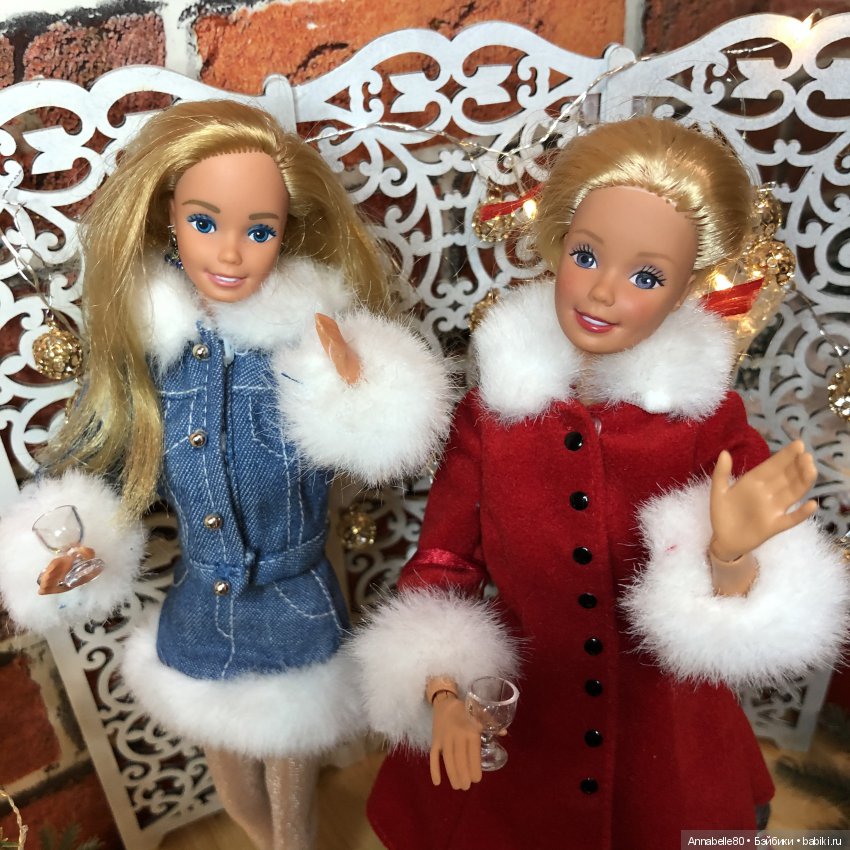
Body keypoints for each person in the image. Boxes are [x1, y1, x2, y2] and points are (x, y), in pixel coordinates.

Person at [349, 116, 850, 850]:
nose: (605, 291)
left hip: (668, 737)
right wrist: (444, 690)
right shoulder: (493, 416)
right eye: (587, 255)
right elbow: (444, 565)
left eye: (647, 276)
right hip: (522, 718)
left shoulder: (706, 422)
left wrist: (731, 557)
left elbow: (761, 598)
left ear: (685, 291)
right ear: (559, 246)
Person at [0, 99, 452, 850]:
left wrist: (361, 389)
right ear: (167, 218)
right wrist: (73, 548)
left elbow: (385, 445)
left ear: (288, 232)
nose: (232, 253)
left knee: (293, 795)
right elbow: (108, 467)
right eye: (204, 222)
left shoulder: (306, 345)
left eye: (260, 231)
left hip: (294, 599)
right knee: (234, 783)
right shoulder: (155, 353)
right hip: (201, 602)